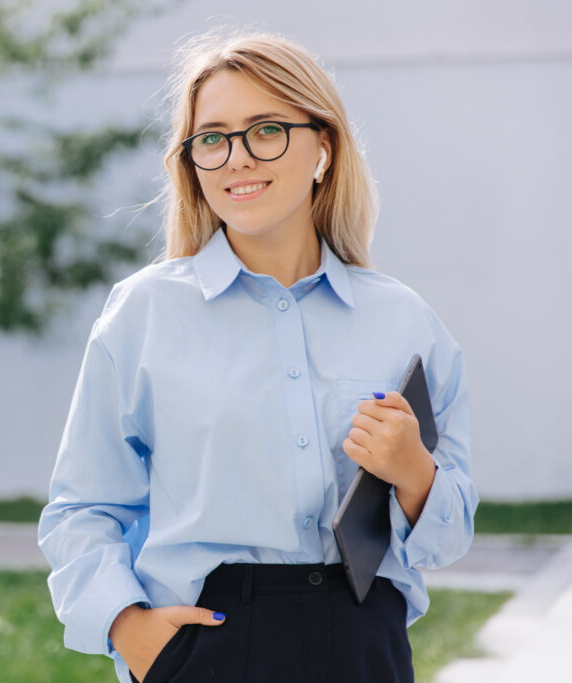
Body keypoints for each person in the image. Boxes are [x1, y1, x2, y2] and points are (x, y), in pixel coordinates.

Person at [37, 30, 477, 683]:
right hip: (206, 649)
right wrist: (128, 628)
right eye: (212, 138)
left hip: (365, 648)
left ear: (323, 147)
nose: (237, 157)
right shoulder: (143, 313)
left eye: (265, 129)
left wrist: (414, 471)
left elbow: (448, 535)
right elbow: (83, 507)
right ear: (191, 163)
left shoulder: (405, 321)